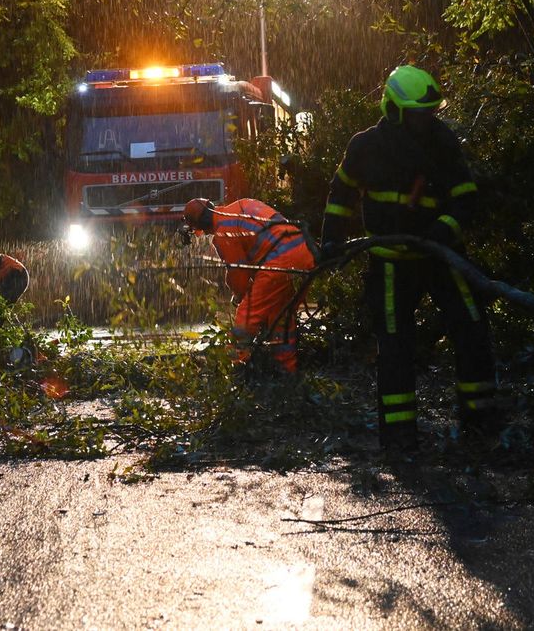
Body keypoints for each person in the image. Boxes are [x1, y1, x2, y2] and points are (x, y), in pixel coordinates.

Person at [320, 65, 498, 450]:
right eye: (418, 114)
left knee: (471, 329)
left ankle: (480, 424)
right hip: (389, 264)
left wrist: (442, 231)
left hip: (440, 257)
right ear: (394, 109)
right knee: (395, 347)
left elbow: (467, 199)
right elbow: (340, 196)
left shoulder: (442, 142)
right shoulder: (365, 147)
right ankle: (399, 437)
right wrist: (331, 242)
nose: (426, 121)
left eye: (430, 112)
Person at [181, 197, 316, 374]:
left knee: (246, 317)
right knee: (280, 318)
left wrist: (240, 296)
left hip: (279, 263)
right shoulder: (242, 204)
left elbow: (239, 274)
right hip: (303, 252)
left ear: (200, 225)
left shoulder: (223, 232)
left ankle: (237, 370)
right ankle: (287, 370)